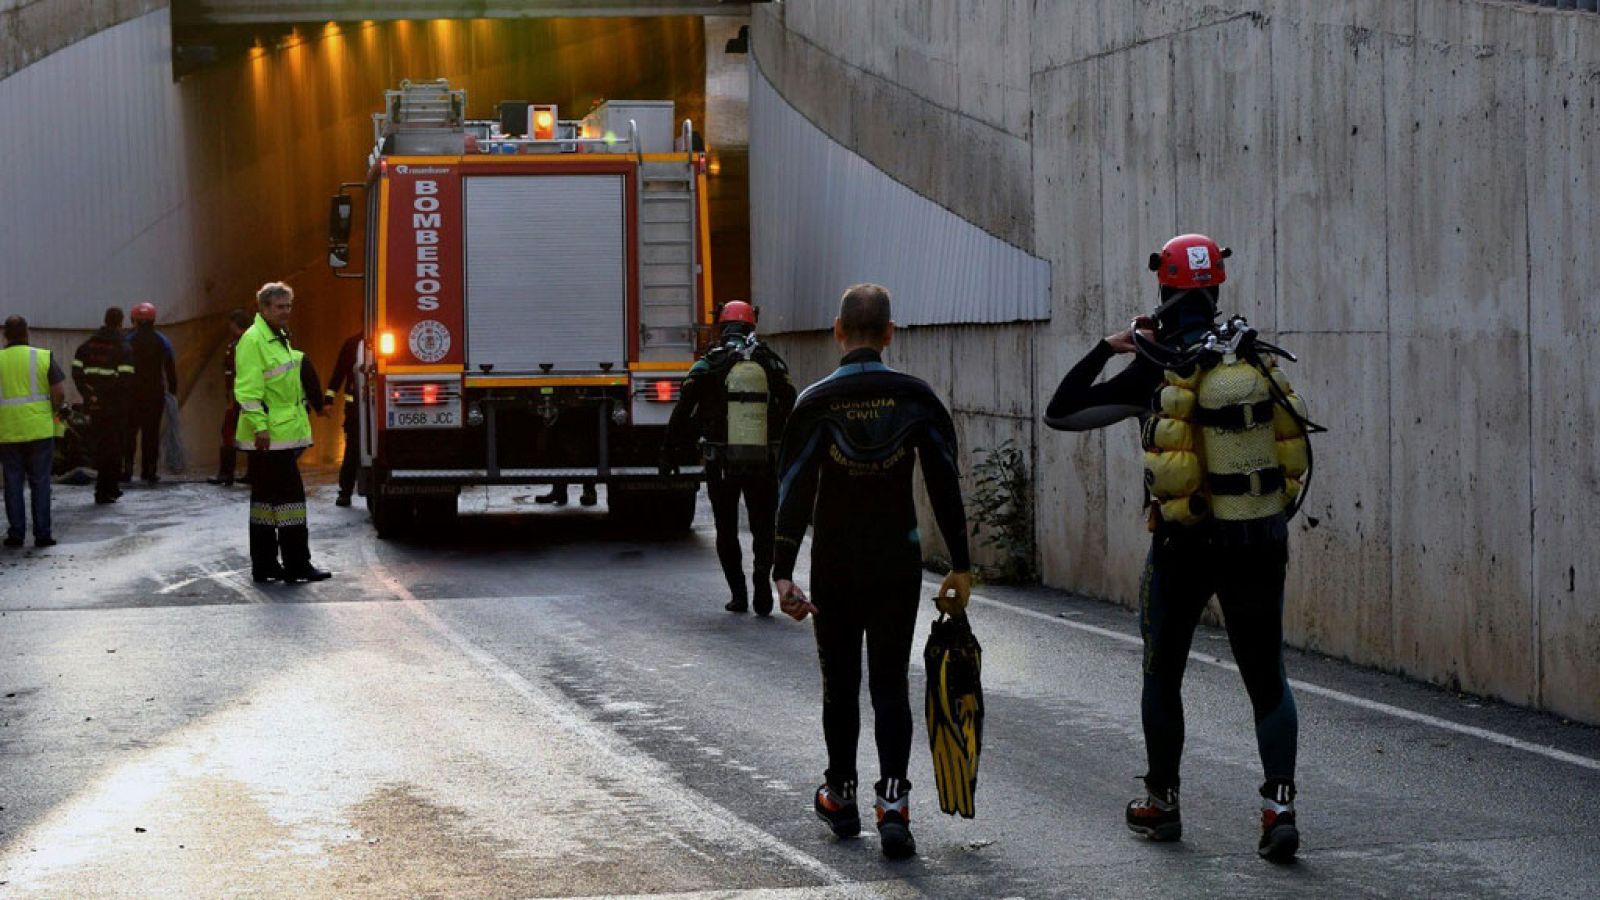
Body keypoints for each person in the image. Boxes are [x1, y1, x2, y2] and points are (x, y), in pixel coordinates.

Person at [1041, 234, 1312, 862]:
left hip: (1182, 546)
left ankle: (1161, 802)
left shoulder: (1157, 365)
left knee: (1163, 671)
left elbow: (1062, 413)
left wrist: (1105, 348)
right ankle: (1279, 808)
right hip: (1257, 541)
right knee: (1267, 677)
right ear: (1216, 288)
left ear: (1163, 289)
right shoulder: (1250, 360)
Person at [772, 283, 973, 859]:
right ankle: (894, 804)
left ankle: (841, 793)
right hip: (897, 560)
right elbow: (943, 483)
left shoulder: (815, 402)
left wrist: (782, 571)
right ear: (889, 333)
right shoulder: (915, 398)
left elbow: (794, 488)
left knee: (841, 683)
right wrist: (960, 565)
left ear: (838, 332)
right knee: (889, 681)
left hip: (836, 561)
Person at [662, 300, 796, 614]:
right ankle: (762, 587)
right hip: (763, 461)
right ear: (752, 326)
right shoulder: (769, 362)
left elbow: (683, 412)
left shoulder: (710, 363)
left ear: (722, 327)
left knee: (726, 528)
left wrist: (669, 453)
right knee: (764, 526)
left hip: (720, 463)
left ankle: (738, 595)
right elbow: (791, 403)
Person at [235, 282, 331, 584]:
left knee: (265, 503)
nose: (286, 312)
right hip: (270, 437)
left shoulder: (277, 337)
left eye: (288, 306)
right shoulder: (254, 341)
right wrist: (260, 427)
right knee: (291, 501)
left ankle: (264, 565)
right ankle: (297, 564)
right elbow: (248, 390)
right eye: (280, 307)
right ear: (263, 309)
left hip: (279, 434)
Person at [0, 316, 67, 547]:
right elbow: (59, 392)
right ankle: (42, 534)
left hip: (7, 431)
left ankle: (16, 534)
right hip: (39, 430)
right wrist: (52, 410)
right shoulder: (43, 356)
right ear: (27, 332)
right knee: (40, 483)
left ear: (5, 334)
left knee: (12, 483)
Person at [73, 307, 135, 504]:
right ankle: (107, 488)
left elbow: (77, 373)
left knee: (100, 446)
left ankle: (106, 488)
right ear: (120, 323)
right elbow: (126, 379)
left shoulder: (86, 346)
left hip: (94, 406)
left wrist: (90, 395)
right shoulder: (123, 348)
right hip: (114, 408)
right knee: (114, 447)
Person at [124, 302, 178, 484]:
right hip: (155, 393)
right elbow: (170, 368)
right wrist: (173, 391)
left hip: (131, 394)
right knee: (151, 434)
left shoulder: (128, 341)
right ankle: (149, 471)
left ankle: (127, 469)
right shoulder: (162, 340)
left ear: (135, 320)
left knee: (130, 433)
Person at [209, 309, 254, 486]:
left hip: (240, 396)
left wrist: (232, 395)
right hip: (244, 395)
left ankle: (226, 473)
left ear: (236, 324)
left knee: (228, 431)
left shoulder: (240, 344)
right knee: (250, 433)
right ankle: (253, 473)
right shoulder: (247, 343)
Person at [324, 332, 363, 506]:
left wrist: (329, 399)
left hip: (357, 408)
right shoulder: (354, 343)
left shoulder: (353, 342)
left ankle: (345, 493)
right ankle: (345, 492)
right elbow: (340, 370)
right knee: (353, 448)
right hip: (356, 408)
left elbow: (339, 371)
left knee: (352, 449)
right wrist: (328, 399)